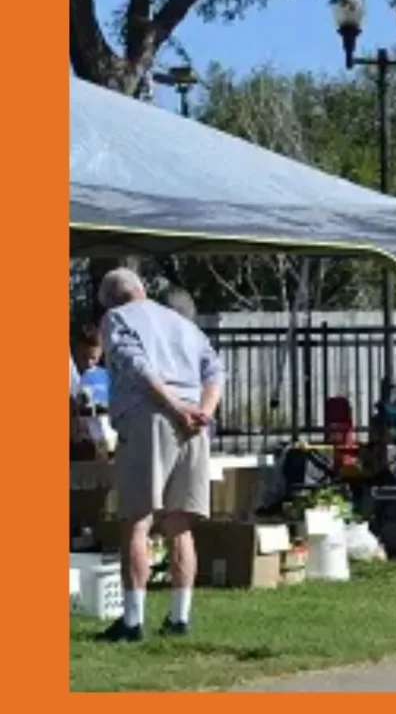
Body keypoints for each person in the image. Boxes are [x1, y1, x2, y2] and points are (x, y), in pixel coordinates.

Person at [95, 269, 224, 642]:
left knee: (136, 519)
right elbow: (215, 369)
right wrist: (202, 411)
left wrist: (174, 406)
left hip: (151, 417)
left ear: (110, 299)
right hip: (195, 424)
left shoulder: (117, 318)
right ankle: (179, 617)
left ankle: (132, 621)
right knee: (179, 523)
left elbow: (137, 367)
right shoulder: (180, 322)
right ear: (140, 289)